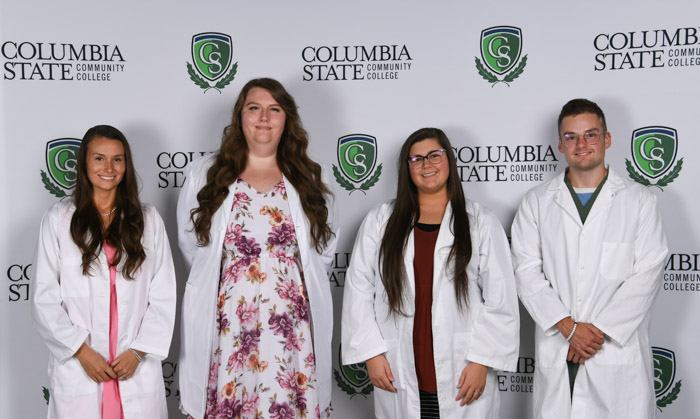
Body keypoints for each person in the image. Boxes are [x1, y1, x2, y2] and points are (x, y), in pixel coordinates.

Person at [177, 77, 338, 419]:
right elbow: (192, 246)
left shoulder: (308, 176)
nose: (264, 117)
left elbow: (322, 251)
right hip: (230, 324)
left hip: (291, 327)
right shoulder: (206, 173)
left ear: (287, 119)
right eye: (254, 108)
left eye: (274, 109)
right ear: (240, 117)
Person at [341, 127, 519, 419]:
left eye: (434, 155)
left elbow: (501, 299)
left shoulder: (481, 222)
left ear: (449, 159)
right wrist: (371, 354)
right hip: (399, 367)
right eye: (416, 159)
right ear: (406, 168)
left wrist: (481, 362)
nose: (427, 165)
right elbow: (358, 288)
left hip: (463, 368)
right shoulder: (380, 221)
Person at [511, 99, 668, 418]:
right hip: (559, 351)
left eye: (591, 135)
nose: (581, 144)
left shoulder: (639, 201)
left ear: (607, 139)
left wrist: (596, 331)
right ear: (560, 144)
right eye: (571, 137)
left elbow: (647, 274)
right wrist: (569, 328)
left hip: (613, 353)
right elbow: (525, 271)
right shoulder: (537, 203)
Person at [31, 125, 177, 419]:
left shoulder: (147, 220)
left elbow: (164, 294)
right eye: (99, 158)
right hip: (82, 367)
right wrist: (81, 352)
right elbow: (43, 299)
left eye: (118, 159)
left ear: (127, 164)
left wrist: (138, 352)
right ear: (84, 163)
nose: (109, 168)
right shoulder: (59, 219)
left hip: (134, 366)